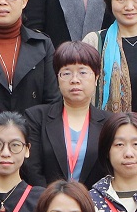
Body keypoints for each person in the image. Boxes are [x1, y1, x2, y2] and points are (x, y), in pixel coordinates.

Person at [24, 42, 112, 187]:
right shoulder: (36, 118)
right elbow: (32, 170)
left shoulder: (110, 123)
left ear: (96, 78)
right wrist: (52, 199)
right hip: (47, 199)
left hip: (95, 200)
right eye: (66, 73)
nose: (75, 80)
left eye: (83, 72)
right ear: (57, 79)